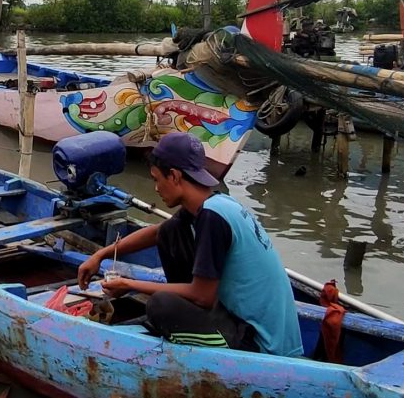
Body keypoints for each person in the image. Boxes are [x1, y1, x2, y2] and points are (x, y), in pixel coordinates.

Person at [77, 133, 304, 357]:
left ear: (174, 176)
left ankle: (187, 344)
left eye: (157, 179)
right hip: (243, 322)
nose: (155, 188)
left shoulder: (212, 218)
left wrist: (130, 284)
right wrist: (102, 255)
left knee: (160, 306)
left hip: (261, 344)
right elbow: (157, 233)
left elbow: (202, 295)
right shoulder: (218, 203)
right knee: (169, 231)